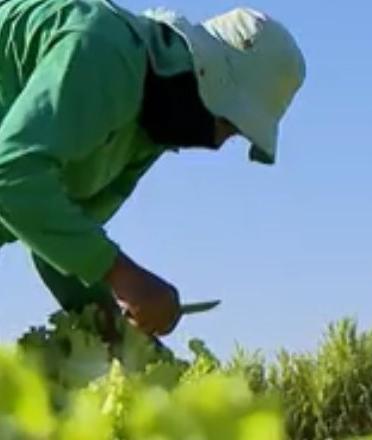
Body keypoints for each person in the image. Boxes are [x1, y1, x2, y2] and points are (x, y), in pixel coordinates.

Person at [0, 0, 305, 338]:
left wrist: (118, 333)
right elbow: (10, 176)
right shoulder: (104, 53)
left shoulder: (147, 132)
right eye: (230, 122)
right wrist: (122, 274)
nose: (220, 142)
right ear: (209, 78)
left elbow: (61, 233)